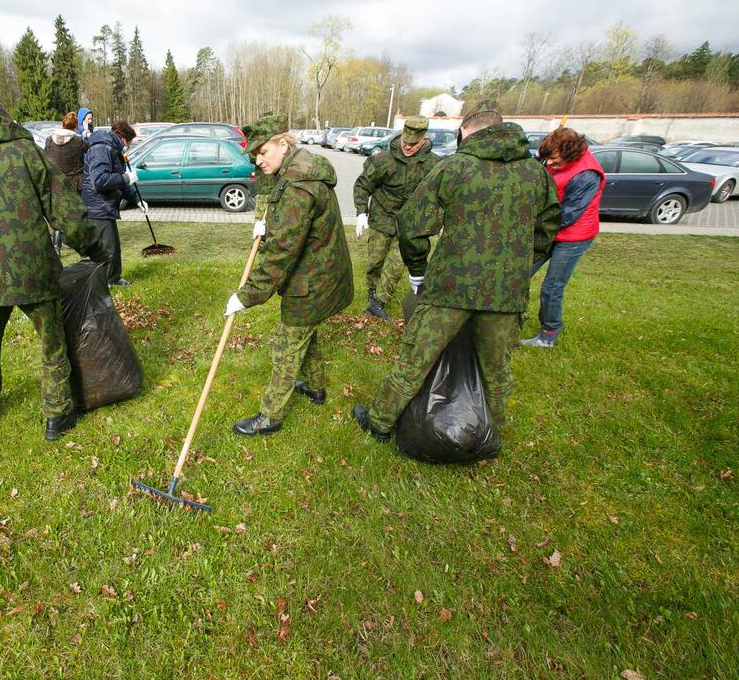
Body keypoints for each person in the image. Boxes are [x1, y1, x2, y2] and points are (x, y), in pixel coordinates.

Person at [352, 100, 561, 443]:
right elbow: (549, 227)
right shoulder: (536, 173)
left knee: (415, 359)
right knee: (497, 370)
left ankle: (379, 423)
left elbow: (413, 224)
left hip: (450, 287)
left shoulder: (454, 168)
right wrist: (517, 267)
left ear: (466, 130)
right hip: (506, 292)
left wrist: (417, 272)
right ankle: (492, 433)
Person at [0, 97, 108, 439]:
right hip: (34, 270)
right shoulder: (27, 153)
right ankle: (57, 417)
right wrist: (95, 249)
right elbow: (66, 211)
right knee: (51, 341)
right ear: (5, 119)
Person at [225, 114, 354, 436]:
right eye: (254, 154)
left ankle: (270, 416)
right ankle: (315, 387)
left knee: (286, 344)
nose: (258, 159)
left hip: (312, 280)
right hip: (323, 272)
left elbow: (281, 252)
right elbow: (286, 220)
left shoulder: (299, 188)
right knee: (304, 332)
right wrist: (265, 222)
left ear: (283, 143)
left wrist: (246, 296)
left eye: (263, 152)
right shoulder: (301, 167)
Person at [521, 127, 604, 348]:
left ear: (570, 154)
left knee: (552, 286)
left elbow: (567, 215)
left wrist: (529, 221)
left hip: (573, 235)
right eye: (547, 159)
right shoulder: (550, 159)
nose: (549, 165)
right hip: (548, 228)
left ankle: (549, 332)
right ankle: (513, 317)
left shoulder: (587, 174)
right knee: (519, 273)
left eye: (555, 161)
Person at [353, 116, 441, 320]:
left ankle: (378, 302)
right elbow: (363, 185)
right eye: (405, 142)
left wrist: (439, 220)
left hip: (410, 225)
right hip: (382, 218)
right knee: (375, 261)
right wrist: (360, 212)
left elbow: (439, 195)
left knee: (396, 264)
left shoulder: (434, 164)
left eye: (413, 144)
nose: (408, 147)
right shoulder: (383, 160)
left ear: (424, 139)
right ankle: (372, 290)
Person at [81, 120, 147, 287]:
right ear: (123, 138)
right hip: (97, 205)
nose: (130, 146)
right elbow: (100, 181)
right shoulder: (101, 149)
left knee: (113, 247)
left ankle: (113, 279)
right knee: (107, 249)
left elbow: (118, 181)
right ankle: (106, 282)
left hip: (105, 205)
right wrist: (125, 177)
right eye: (130, 142)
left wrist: (137, 199)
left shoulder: (112, 149)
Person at [44, 111, 88, 255]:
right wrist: (87, 131)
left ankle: (57, 247)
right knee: (76, 214)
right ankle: (79, 243)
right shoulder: (78, 141)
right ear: (75, 128)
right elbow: (90, 150)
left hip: (56, 183)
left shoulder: (49, 140)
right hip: (74, 183)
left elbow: (45, 158)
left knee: (59, 215)